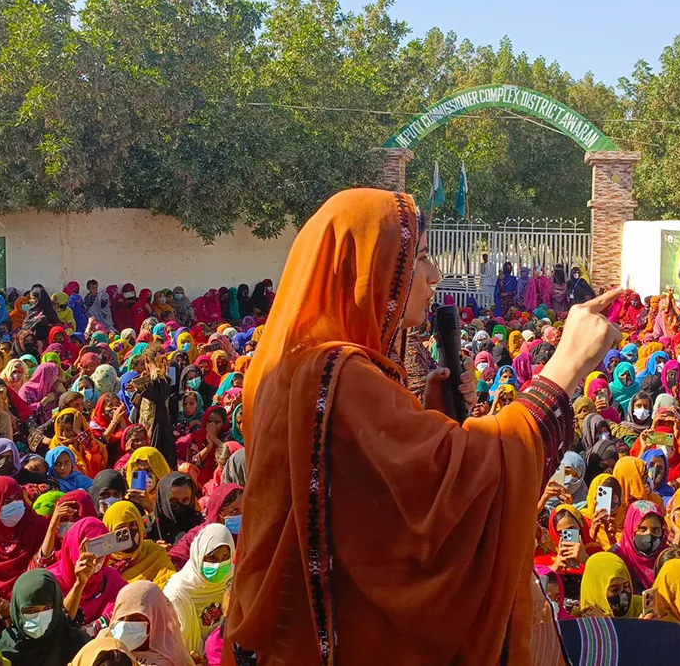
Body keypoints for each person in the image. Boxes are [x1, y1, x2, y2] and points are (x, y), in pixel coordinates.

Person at [226, 189, 621, 664]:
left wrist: (426, 426)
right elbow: (464, 483)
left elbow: (370, 510)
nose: (435, 276)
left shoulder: (292, 368)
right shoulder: (338, 374)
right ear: (371, 271)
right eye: (419, 257)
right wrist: (564, 369)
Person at [0, 569, 90, 666]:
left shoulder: (78, 645)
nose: (39, 618)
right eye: (30, 611)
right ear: (17, 611)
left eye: (47, 608)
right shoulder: (3, 650)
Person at [164, 523, 234, 654]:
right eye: (211, 558)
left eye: (225, 557)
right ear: (198, 555)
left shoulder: (233, 579)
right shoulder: (177, 593)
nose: (218, 565)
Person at [104, 580, 195, 666]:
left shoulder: (167, 659)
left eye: (136, 619)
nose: (125, 625)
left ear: (156, 621)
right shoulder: (103, 642)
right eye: (121, 617)